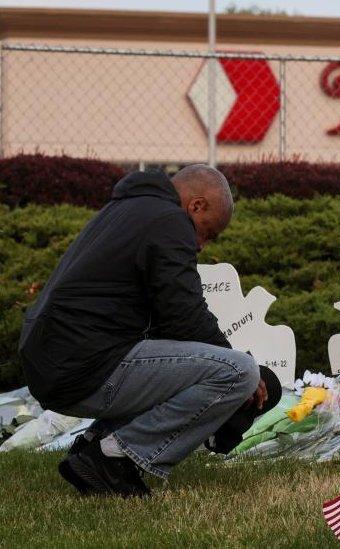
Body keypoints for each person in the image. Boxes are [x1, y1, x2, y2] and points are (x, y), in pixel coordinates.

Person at [18, 165, 278, 497]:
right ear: (196, 206)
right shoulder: (169, 221)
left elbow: (168, 320)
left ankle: (93, 447)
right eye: (207, 233)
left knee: (224, 367)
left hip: (58, 364)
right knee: (239, 372)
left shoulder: (127, 209)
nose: (201, 246)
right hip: (83, 366)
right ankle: (114, 457)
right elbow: (184, 315)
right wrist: (239, 367)